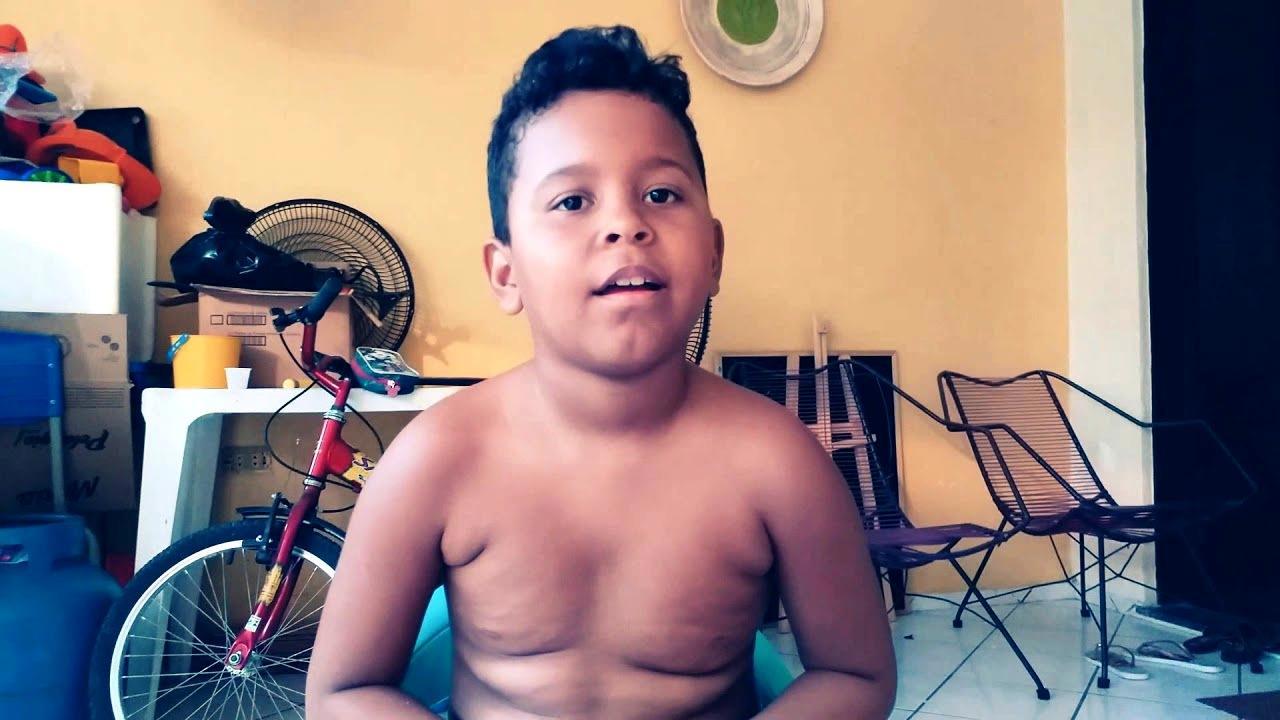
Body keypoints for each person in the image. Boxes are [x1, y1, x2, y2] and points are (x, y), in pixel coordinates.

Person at [307, 25, 896, 719]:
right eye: (572, 201)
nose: (625, 224)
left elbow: (857, 676)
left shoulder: (777, 462)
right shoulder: (437, 461)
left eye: (662, 194)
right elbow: (342, 693)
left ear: (713, 254)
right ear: (506, 273)